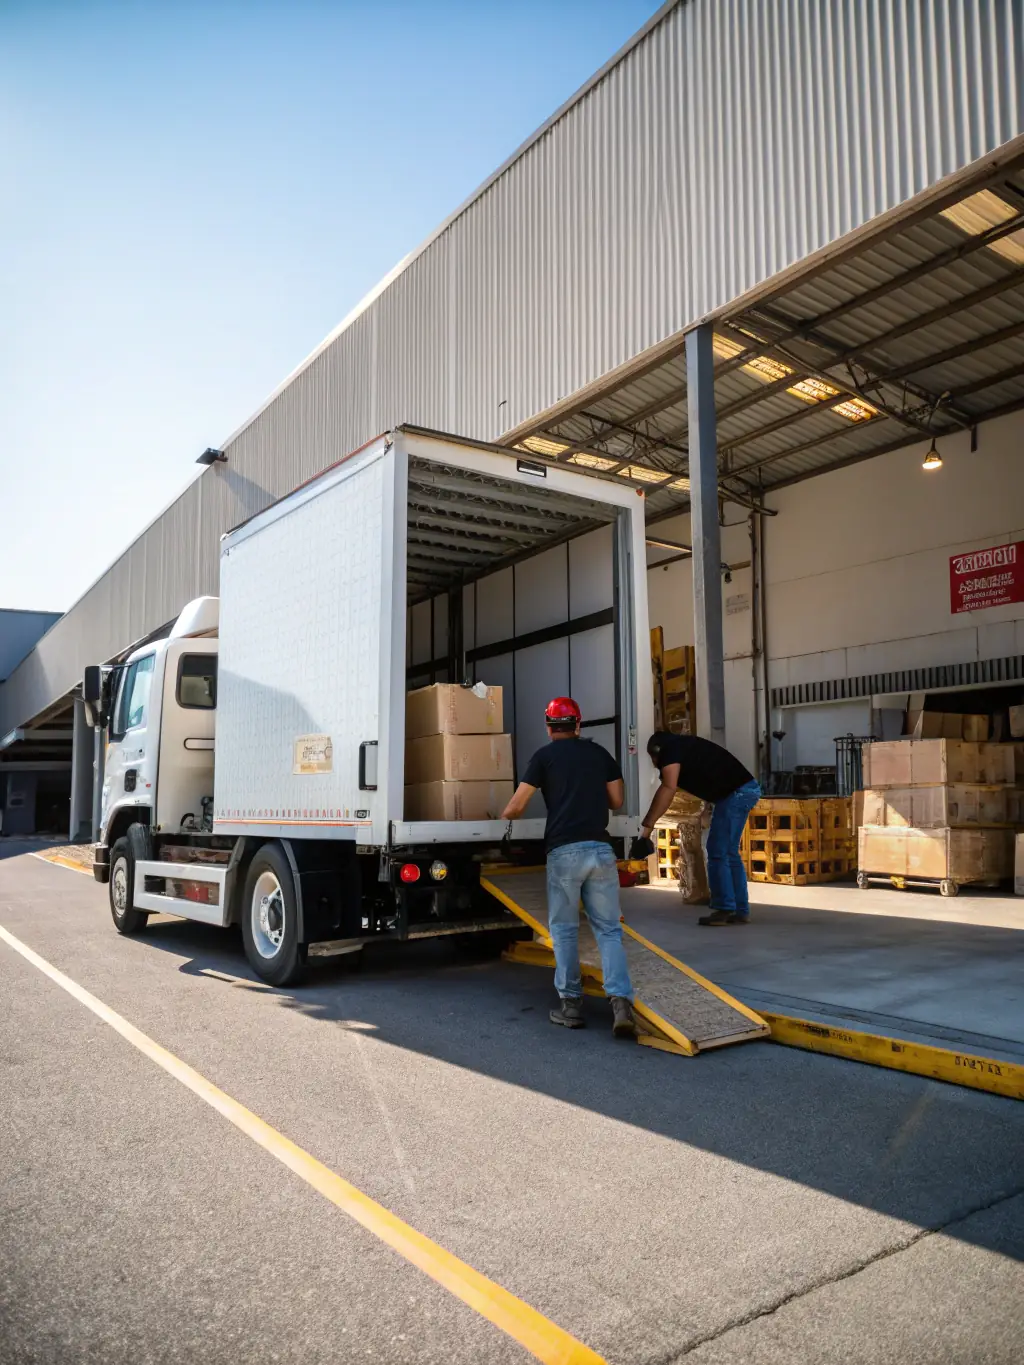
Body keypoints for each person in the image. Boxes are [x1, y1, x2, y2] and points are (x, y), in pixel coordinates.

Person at [502, 697, 636, 1038]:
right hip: (600, 850)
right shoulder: (600, 755)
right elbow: (617, 802)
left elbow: (517, 807)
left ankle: (571, 1006)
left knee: (563, 930)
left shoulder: (543, 757)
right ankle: (621, 1004)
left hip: (564, 852)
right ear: (578, 725)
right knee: (608, 930)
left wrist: (499, 818)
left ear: (548, 728)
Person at [640, 732, 760, 925]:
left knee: (717, 851)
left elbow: (668, 788)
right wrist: (706, 809)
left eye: (653, 758)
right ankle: (739, 910)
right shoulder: (682, 747)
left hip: (736, 794)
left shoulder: (670, 750)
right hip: (740, 791)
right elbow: (708, 775)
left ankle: (725, 908)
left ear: (657, 751)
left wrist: (647, 827)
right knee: (729, 853)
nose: (655, 764)